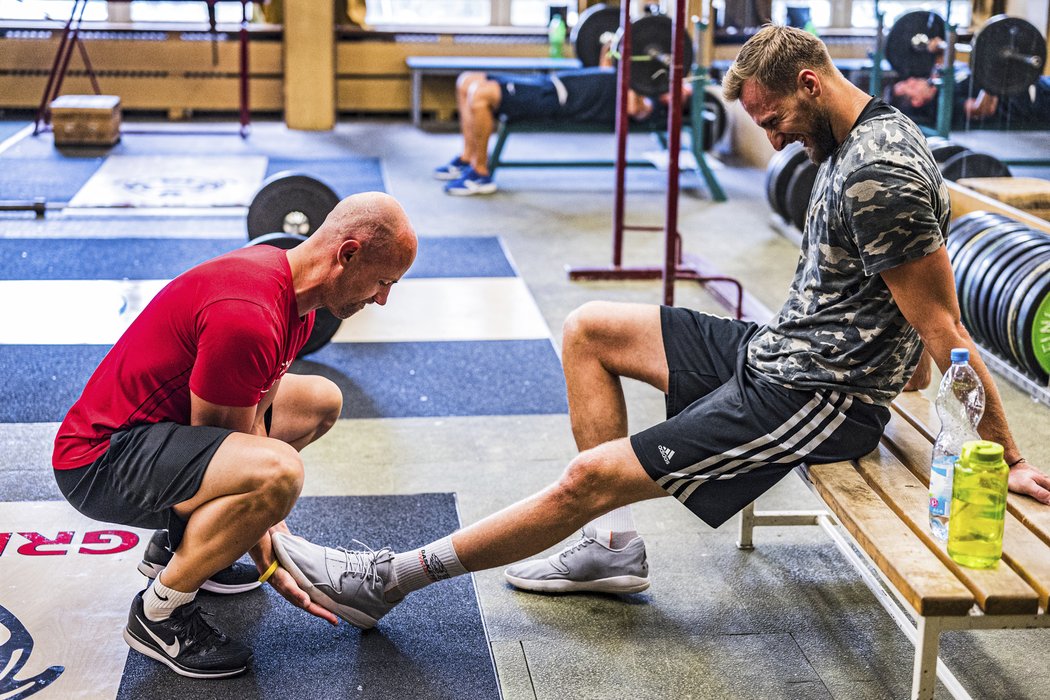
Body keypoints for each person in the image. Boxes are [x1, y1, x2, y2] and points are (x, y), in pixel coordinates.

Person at [271, 25, 1050, 633]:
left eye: (774, 120)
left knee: (590, 477)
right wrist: (898, 359)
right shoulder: (856, 135)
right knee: (589, 329)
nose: (772, 141)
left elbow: (943, 324)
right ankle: (613, 550)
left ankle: (384, 582)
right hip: (779, 349)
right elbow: (904, 310)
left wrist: (1006, 457)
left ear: (810, 83)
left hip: (820, 395)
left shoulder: (881, 174)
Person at [51, 192, 417, 678]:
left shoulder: (293, 298)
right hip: (98, 461)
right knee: (277, 477)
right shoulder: (247, 317)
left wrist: (269, 531)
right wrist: (274, 560)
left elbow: (253, 424)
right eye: (383, 280)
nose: (383, 298)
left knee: (320, 400)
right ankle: (161, 612)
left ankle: (181, 547)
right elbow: (233, 459)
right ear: (347, 254)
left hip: (157, 430)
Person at [434, 66, 680, 196]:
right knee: (466, 80)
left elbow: (636, 108)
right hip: (551, 83)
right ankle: (467, 158)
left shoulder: (648, 103)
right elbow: (605, 70)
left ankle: (480, 172)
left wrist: (655, 93)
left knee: (480, 94)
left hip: (555, 99)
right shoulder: (632, 79)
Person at [890, 74, 1050, 130]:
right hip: (1032, 100)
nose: (912, 80)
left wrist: (937, 48)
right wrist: (992, 78)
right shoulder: (942, 106)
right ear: (917, 101)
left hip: (1034, 82)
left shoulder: (939, 81)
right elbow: (982, 109)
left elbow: (942, 60)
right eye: (909, 86)